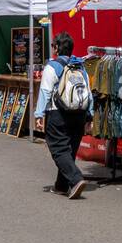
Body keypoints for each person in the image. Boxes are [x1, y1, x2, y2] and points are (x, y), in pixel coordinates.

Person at [34, 33, 90, 200]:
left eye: (53, 46)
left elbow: (45, 91)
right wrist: (90, 116)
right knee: (69, 150)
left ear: (57, 48)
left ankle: (76, 179)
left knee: (58, 148)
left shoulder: (53, 66)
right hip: (79, 113)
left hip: (58, 112)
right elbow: (88, 91)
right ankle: (61, 185)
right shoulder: (80, 66)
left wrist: (39, 114)